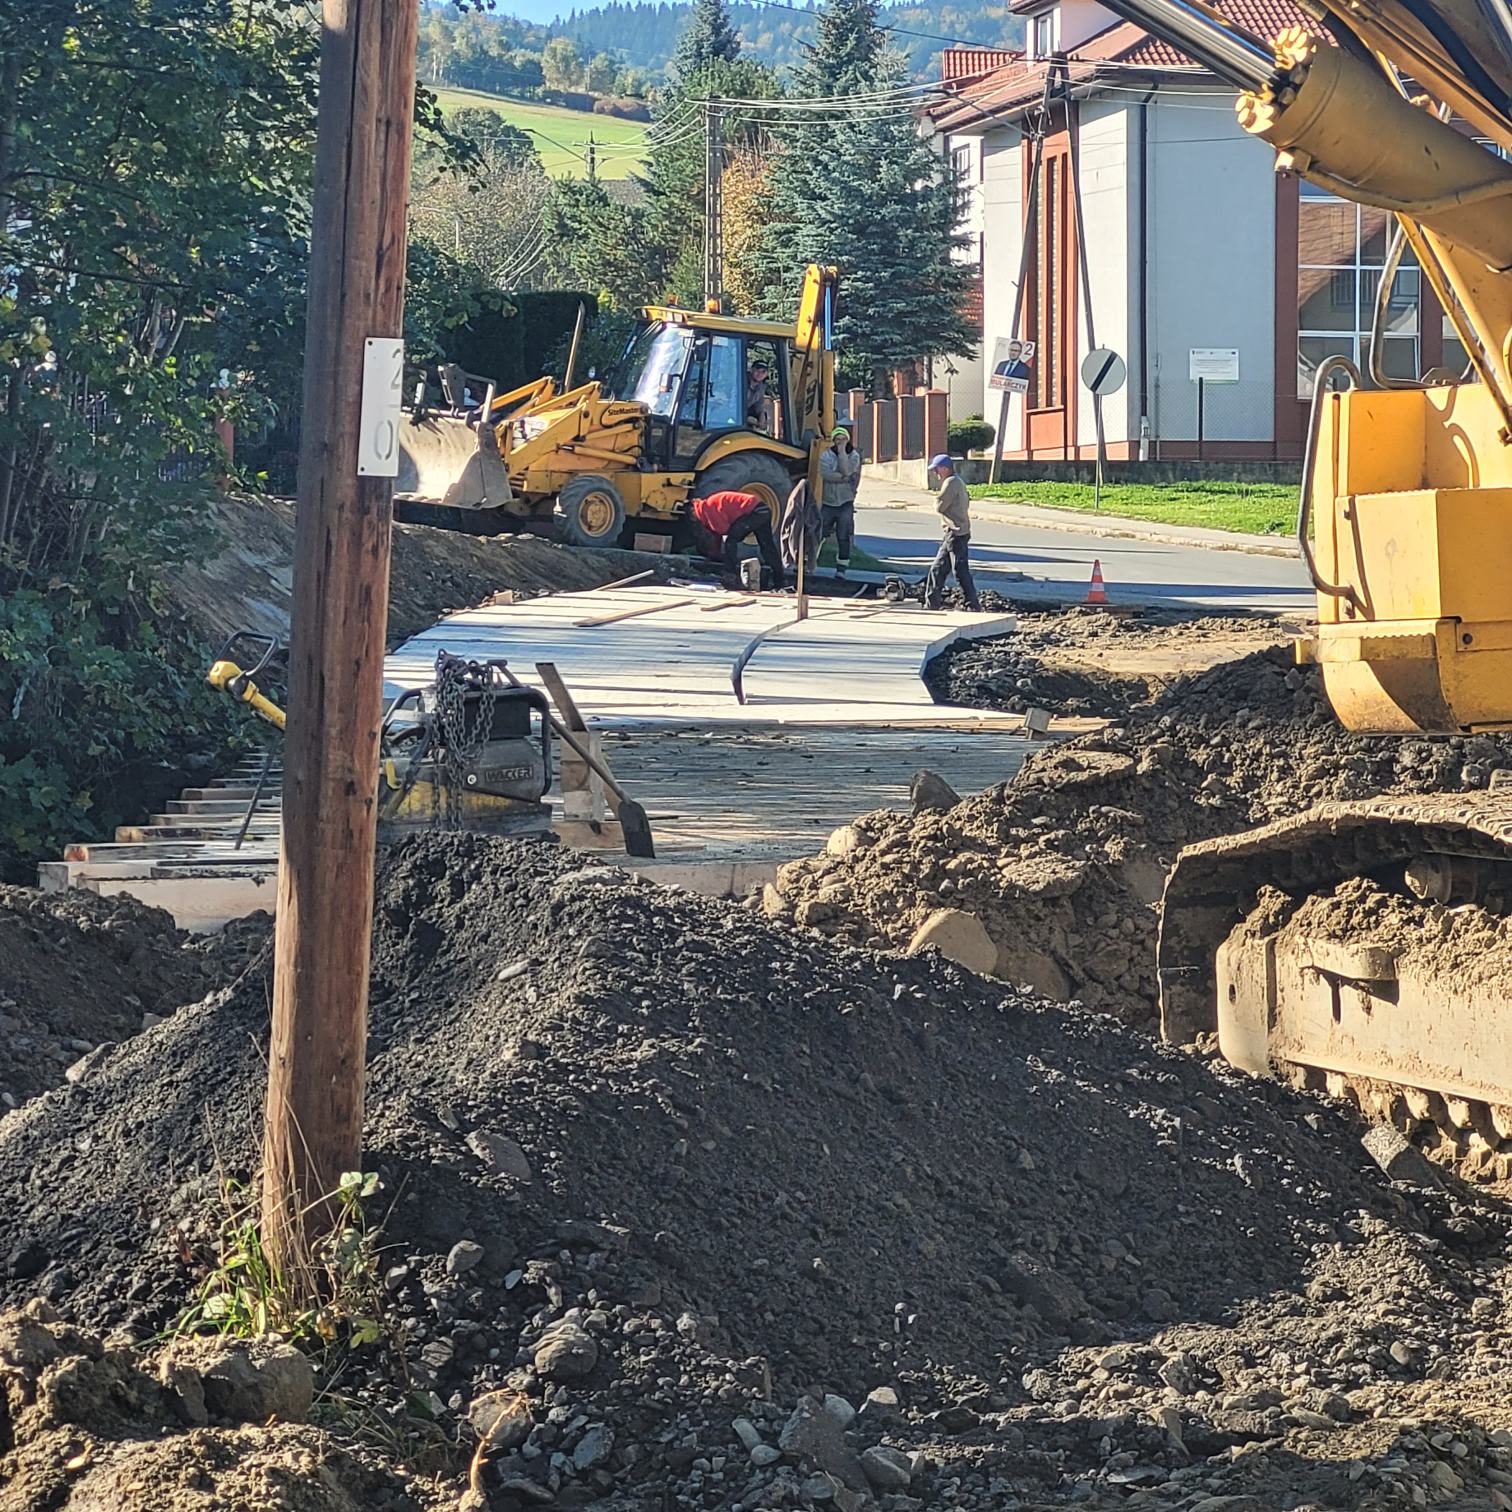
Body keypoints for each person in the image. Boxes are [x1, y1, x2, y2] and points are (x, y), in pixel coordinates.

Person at [691, 489, 785, 590]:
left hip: (754, 512)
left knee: (730, 541)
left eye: (692, 516)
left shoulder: (709, 508)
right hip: (763, 510)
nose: (694, 519)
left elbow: (723, 530)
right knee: (767, 547)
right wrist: (713, 555)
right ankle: (780, 581)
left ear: (693, 510)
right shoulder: (709, 507)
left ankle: (730, 575)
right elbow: (718, 535)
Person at [923, 453, 980, 611]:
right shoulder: (958, 481)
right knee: (938, 568)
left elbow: (940, 506)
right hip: (957, 531)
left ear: (945, 468)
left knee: (959, 571)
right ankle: (932, 603)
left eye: (937, 469)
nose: (935, 473)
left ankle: (971, 604)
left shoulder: (950, 483)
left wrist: (935, 501)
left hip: (955, 533)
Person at [817, 420, 862, 578]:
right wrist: (843, 477)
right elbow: (826, 474)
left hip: (845, 502)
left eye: (843, 439)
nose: (840, 442)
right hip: (828, 502)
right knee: (819, 533)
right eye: (837, 440)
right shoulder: (826, 455)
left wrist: (842, 454)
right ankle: (809, 564)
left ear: (847, 440)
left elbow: (849, 471)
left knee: (844, 536)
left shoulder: (854, 455)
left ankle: (841, 569)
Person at [745, 359, 773, 431]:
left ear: (766, 374)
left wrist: (762, 422)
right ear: (751, 370)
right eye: (757, 370)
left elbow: (759, 407)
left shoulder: (761, 387)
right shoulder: (741, 381)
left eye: (763, 372)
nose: (760, 374)